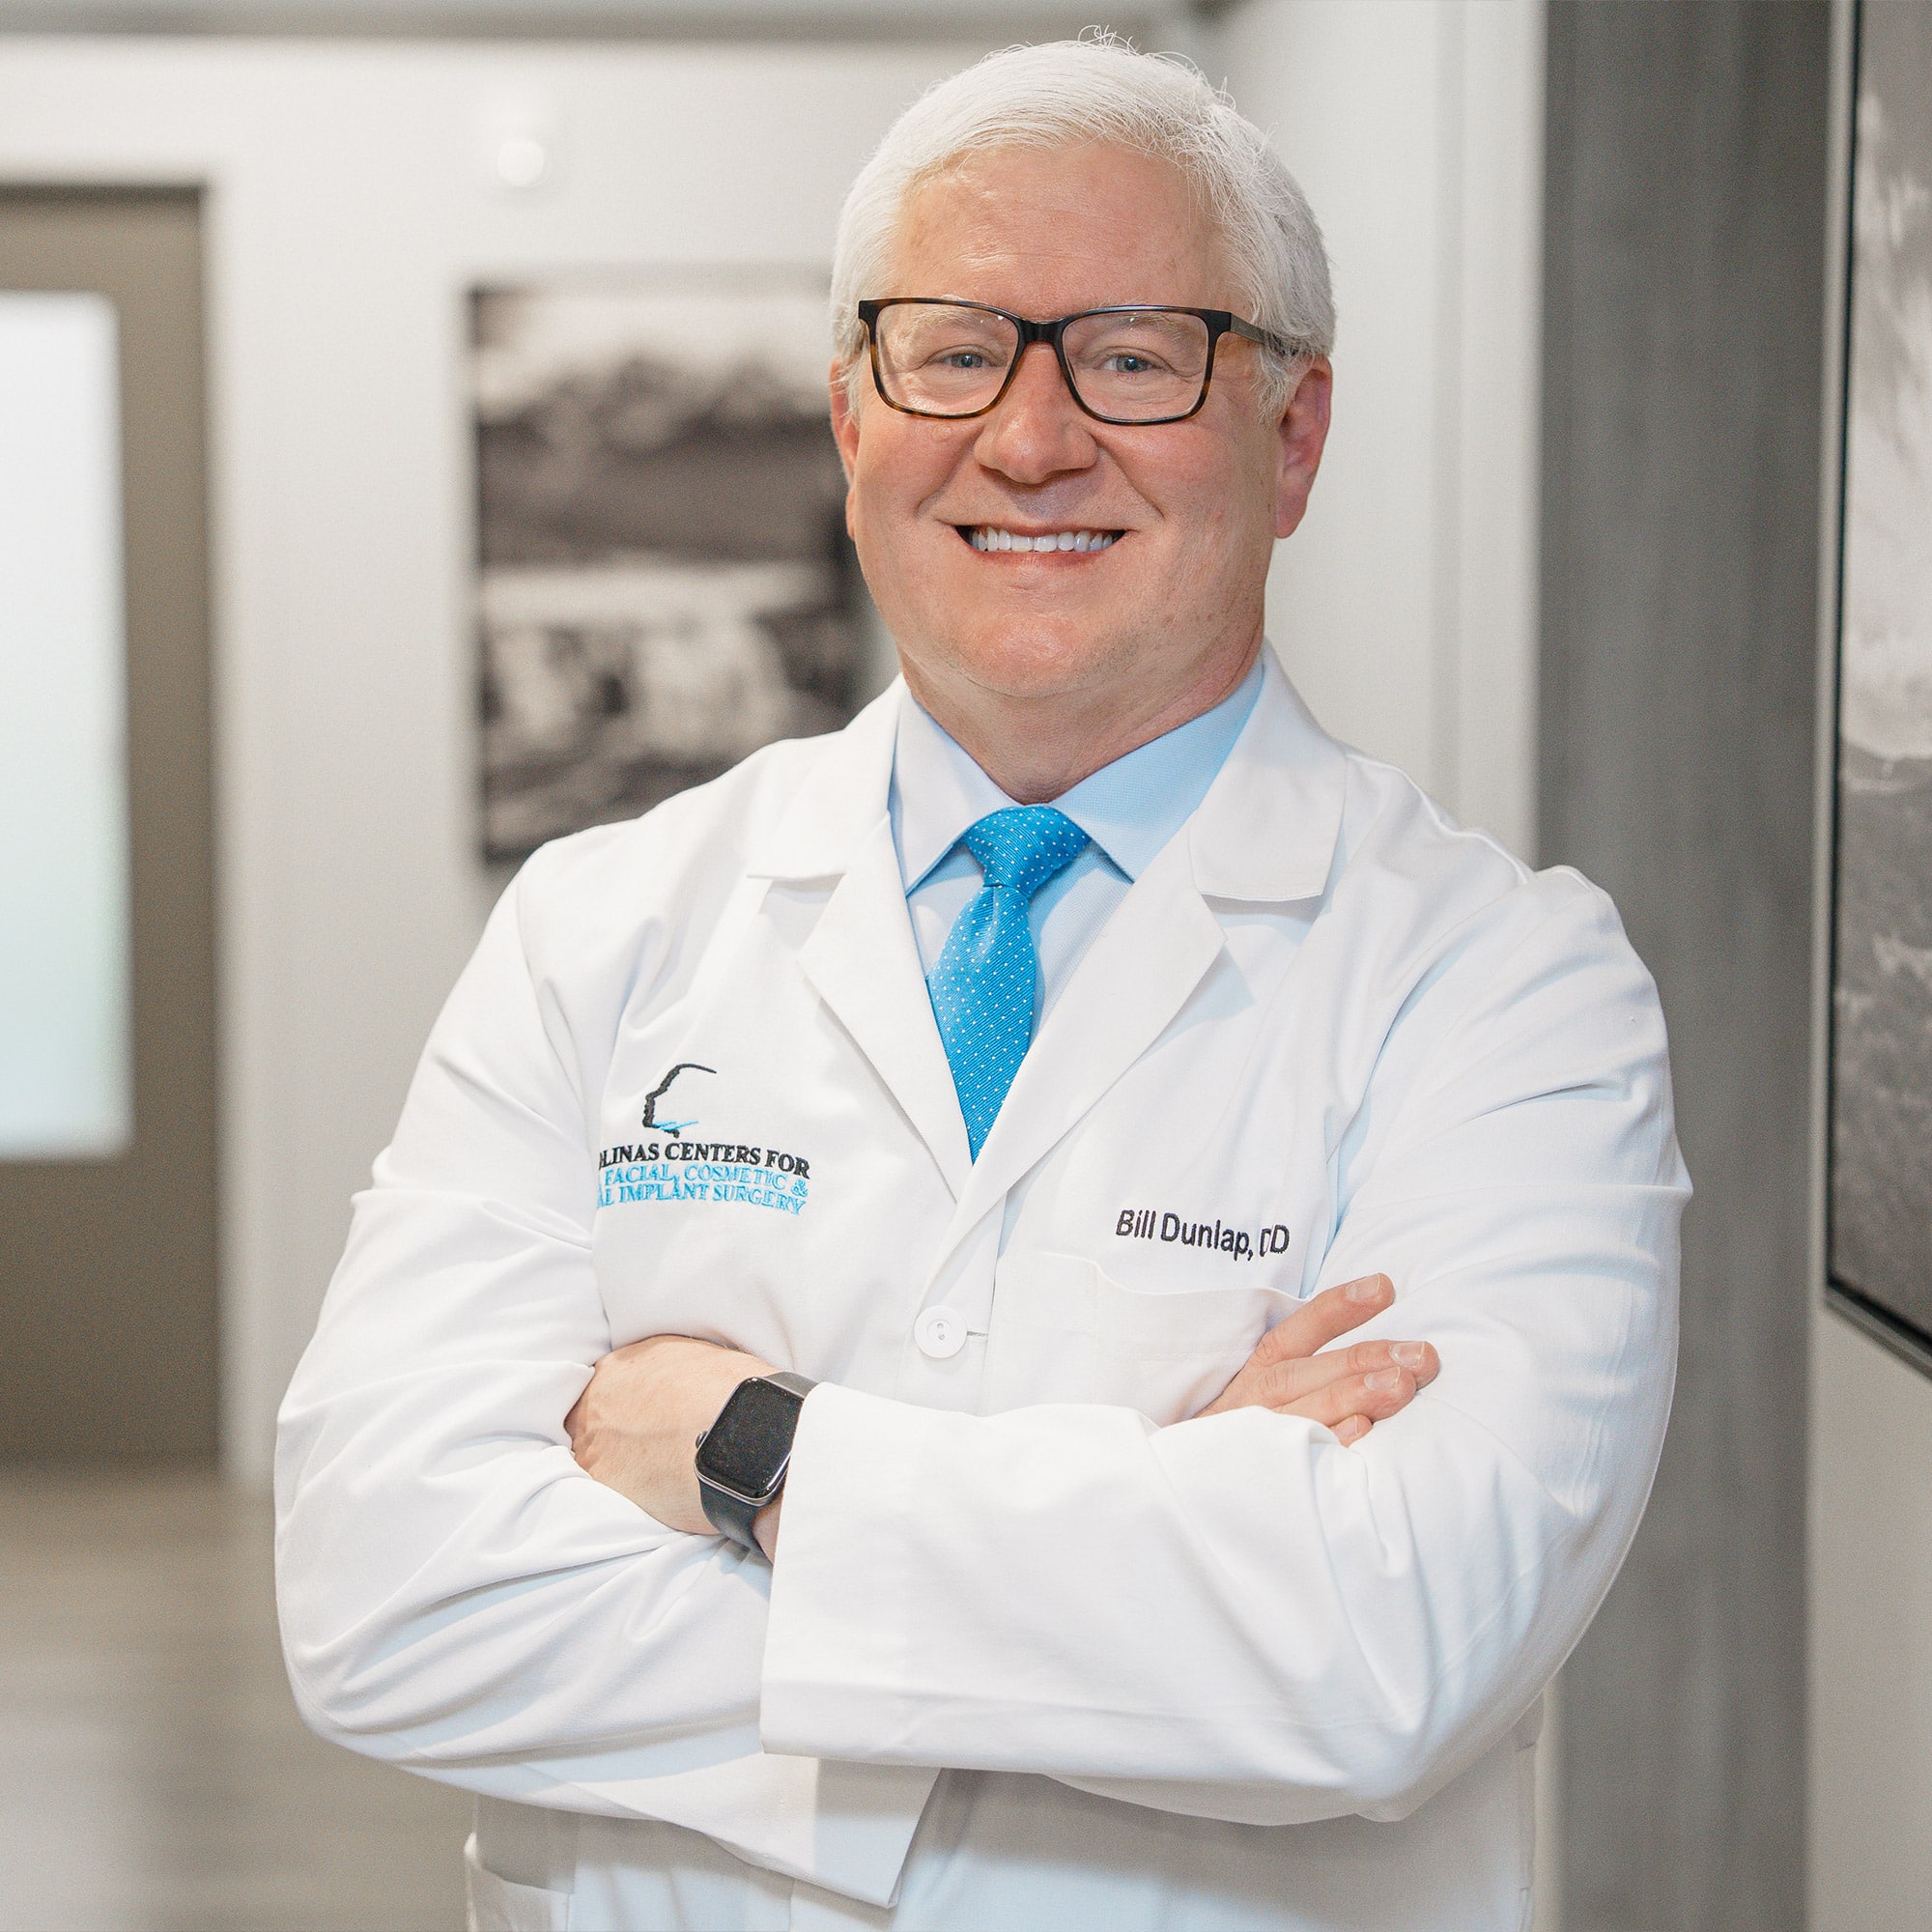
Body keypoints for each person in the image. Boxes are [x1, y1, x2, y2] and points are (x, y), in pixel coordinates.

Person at [276, 37, 1686, 1932]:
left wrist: (741, 1448)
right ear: (851, 417)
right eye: (952, 348)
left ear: (1292, 434)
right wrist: (1158, 1547)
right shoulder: (597, 926)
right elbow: (384, 1595)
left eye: (1133, 352)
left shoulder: (1504, 988)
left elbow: (1377, 1647)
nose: (1029, 439)